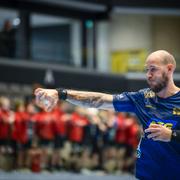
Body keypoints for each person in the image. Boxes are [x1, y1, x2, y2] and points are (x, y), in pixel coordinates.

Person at [34, 50, 180, 179]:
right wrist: (61, 93)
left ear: (169, 69)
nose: (148, 75)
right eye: (147, 70)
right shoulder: (142, 98)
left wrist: (172, 135)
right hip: (145, 174)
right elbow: (99, 100)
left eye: (153, 69)